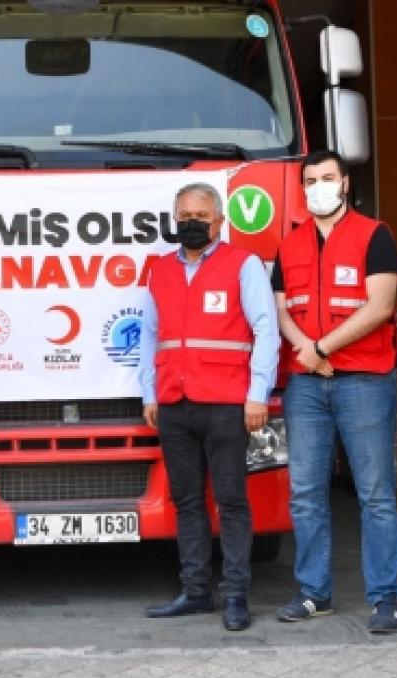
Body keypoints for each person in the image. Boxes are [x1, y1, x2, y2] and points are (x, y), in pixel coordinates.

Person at [270, 150, 397, 632]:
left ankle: (386, 598)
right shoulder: (290, 244)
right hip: (306, 385)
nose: (318, 187)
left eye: (327, 177)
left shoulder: (375, 235)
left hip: (364, 380)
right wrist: (306, 350)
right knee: (305, 493)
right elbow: (281, 309)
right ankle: (314, 593)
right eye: (310, 180)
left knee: (375, 494)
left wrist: (322, 347)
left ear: (345, 183)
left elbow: (381, 305)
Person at [140, 182, 278, 632]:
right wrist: (149, 394)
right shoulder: (160, 269)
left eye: (200, 216)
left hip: (226, 403)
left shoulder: (243, 264)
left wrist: (258, 393)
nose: (192, 223)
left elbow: (266, 329)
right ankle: (196, 591)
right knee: (187, 501)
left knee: (231, 501)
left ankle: (236, 595)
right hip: (174, 403)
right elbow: (150, 335)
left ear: (219, 221)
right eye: (184, 216)